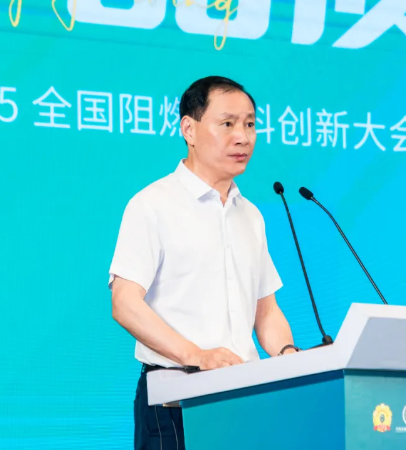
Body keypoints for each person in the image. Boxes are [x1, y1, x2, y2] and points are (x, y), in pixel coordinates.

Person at [108, 76, 299, 450]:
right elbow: (124, 303)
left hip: (243, 395)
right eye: (227, 124)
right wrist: (196, 356)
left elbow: (266, 312)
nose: (242, 137)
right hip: (175, 399)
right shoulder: (152, 205)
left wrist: (289, 356)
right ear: (189, 129)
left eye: (250, 124)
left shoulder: (251, 215)